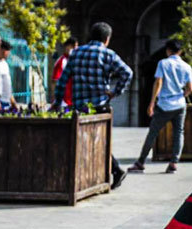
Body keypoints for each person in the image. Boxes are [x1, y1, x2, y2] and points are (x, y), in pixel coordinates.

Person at [52, 22, 133, 189]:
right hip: (99, 106)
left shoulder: (76, 53)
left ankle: (95, 175)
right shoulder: (108, 54)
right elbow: (127, 72)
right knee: (100, 140)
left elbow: (62, 81)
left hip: (79, 107)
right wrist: (115, 92)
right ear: (107, 39)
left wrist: (57, 102)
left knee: (80, 140)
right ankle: (112, 170)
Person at [128, 39, 192, 174]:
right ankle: (174, 163)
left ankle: (141, 162)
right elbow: (191, 88)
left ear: (168, 50)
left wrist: (152, 103)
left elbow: (158, 82)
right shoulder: (187, 66)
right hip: (180, 104)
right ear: (180, 51)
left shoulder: (163, 63)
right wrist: (182, 94)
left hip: (164, 104)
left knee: (153, 133)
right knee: (179, 133)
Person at [52, 36, 77, 109]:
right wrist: (55, 98)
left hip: (73, 99)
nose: (76, 49)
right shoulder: (61, 61)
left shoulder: (74, 60)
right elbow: (54, 81)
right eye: (74, 46)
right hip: (63, 101)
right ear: (68, 47)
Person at [0, 41, 18, 111]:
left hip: (6, 101)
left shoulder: (5, 64)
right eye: (7, 50)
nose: (8, 53)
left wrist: (13, 101)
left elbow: (7, 84)